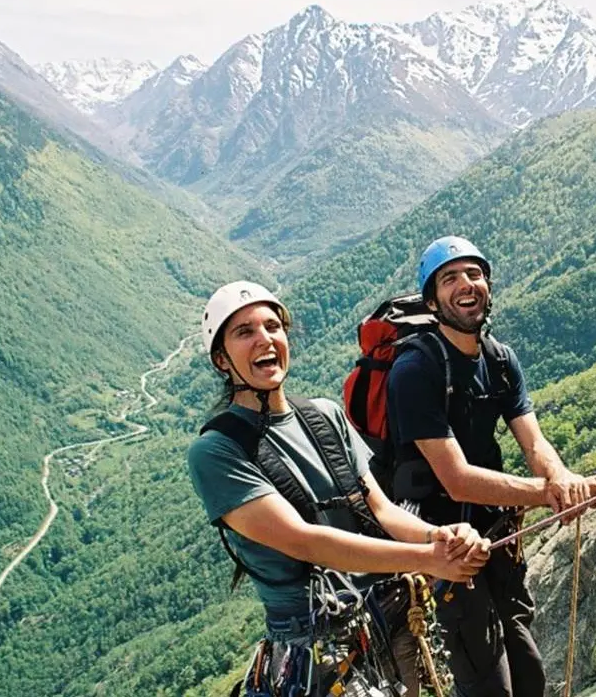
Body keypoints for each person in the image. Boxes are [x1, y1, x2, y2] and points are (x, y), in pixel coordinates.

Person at [186, 280, 490, 697]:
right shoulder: (217, 451)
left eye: (273, 327)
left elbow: (380, 511)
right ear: (222, 360)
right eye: (245, 332)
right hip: (314, 644)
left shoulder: (325, 417)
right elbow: (305, 541)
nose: (265, 339)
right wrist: (429, 558)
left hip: (389, 617)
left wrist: (441, 537)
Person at [385, 237, 596, 697]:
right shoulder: (416, 370)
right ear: (432, 301)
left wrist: (564, 478)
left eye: (474, 274)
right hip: (444, 543)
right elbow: (456, 480)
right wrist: (547, 493)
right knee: (488, 681)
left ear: (488, 286)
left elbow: (534, 442)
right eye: (450, 279)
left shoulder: (499, 360)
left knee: (527, 668)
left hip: (495, 535)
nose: (466, 285)